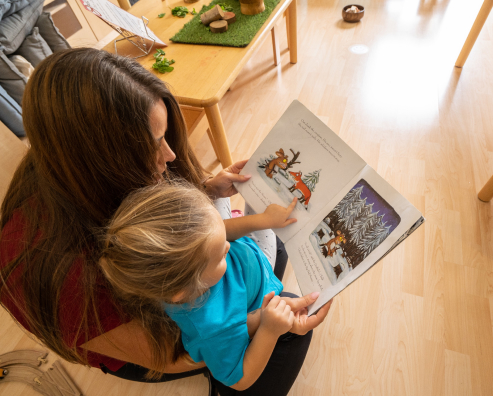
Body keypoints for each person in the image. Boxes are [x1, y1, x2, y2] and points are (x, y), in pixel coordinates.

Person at [0, 48, 330, 390]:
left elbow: (209, 235)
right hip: (177, 339)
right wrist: (263, 324)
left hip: (198, 296)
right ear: (106, 161)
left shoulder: (79, 170)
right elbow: (172, 355)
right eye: (154, 144)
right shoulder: (61, 276)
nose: (171, 156)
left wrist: (208, 190)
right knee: (290, 334)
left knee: (276, 247)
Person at [99, 182, 331, 395]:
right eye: (221, 255)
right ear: (184, 289)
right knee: (277, 244)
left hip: (252, 266)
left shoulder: (190, 269)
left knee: (260, 212)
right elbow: (240, 379)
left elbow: (225, 233)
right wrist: (269, 330)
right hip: (261, 287)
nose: (229, 247)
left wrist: (263, 220)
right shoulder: (214, 328)